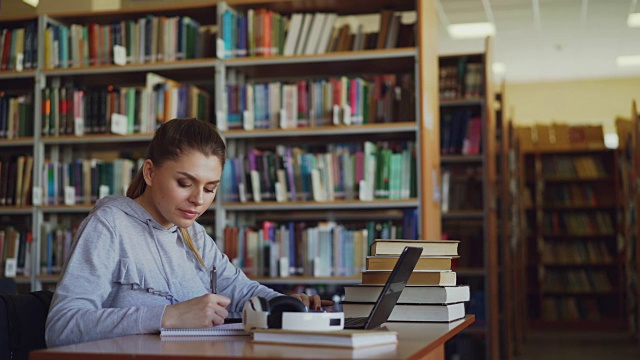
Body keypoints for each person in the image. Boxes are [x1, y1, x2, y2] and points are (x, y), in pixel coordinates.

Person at [45, 118, 332, 347]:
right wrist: (168, 316)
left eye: (210, 189)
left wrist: (289, 305)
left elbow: (242, 292)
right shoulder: (109, 226)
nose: (198, 199)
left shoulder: (192, 234)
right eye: (185, 183)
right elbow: (62, 327)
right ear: (149, 172)